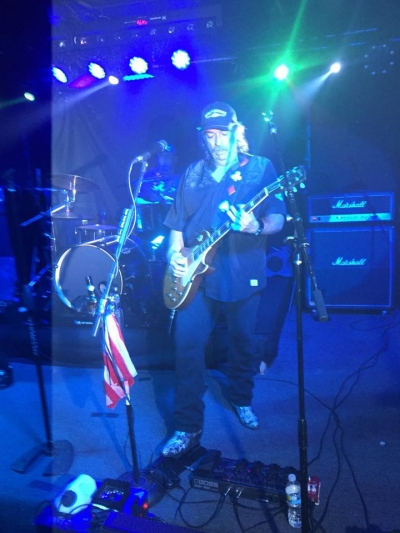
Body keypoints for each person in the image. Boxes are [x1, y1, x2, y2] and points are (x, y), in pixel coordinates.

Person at [161, 102, 286, 458]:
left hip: (243, 272)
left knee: (243, 343)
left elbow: (278, 217)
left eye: (223, 134)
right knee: (187, 348)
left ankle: (241, 397)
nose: (217, 142)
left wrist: (256, 226)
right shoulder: (192, 173)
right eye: (210, 135)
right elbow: (176, 226)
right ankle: (187, 426)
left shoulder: (260, 168)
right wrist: (174, 257)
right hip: (197, 277)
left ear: (237, 131)